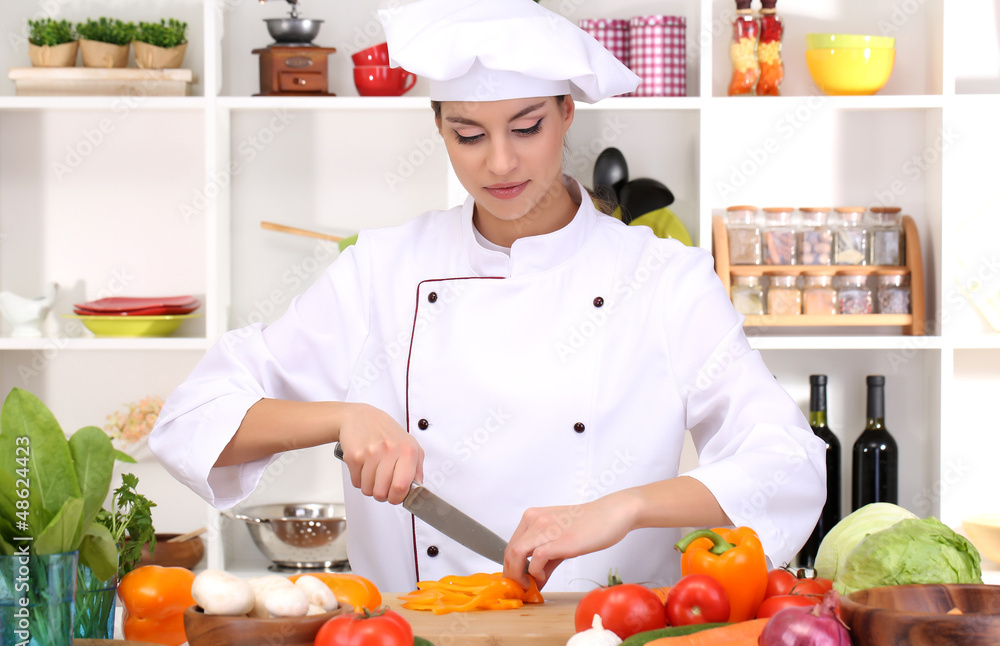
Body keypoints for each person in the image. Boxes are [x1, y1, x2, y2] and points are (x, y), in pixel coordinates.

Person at [149, 0, 825, 593]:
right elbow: (191, 420)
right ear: (438, 127)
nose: (499, 163)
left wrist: (624, 506)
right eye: (468, 135)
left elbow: (788, 465)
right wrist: (342, 416)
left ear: (566, 113)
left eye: (526, 127)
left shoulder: (663, 279)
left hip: (605, 639)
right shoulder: (383, 271)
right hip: (412, 644)